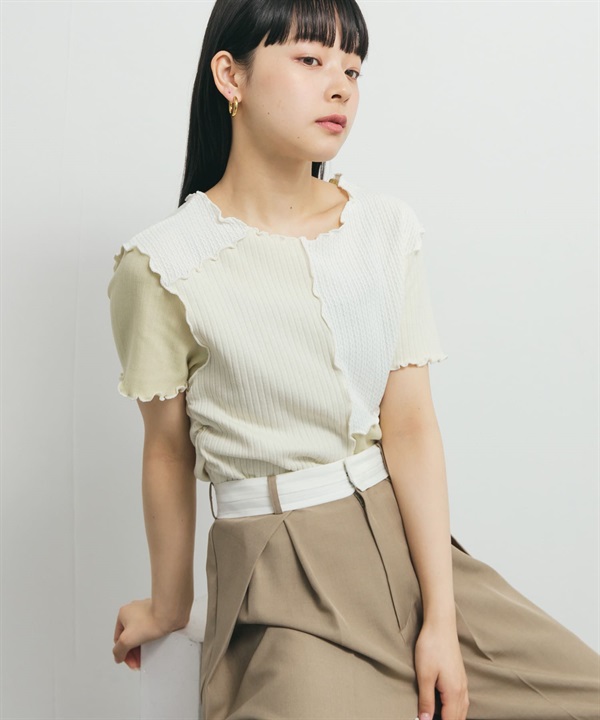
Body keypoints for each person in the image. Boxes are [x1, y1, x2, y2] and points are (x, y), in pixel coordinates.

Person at [107, 1, 600, 719]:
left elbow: (411, 425)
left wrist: (440, 621)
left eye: (353, 69)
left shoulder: (384, 228)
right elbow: (166, 450)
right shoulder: (163, 264)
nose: (340, 86)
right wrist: (169, 605)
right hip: (281, 572)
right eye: (311, 60)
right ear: (230, 76)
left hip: (408, 551)